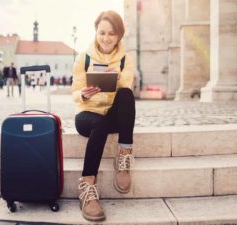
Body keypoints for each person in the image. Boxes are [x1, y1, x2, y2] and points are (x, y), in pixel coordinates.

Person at [71, 10, 135, 222]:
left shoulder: (126, 60)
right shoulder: (84, 57)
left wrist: (115, 78)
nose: (106, 38)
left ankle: (123, 156)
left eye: (112, 33)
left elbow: (125, 90)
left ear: (119, 36)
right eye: (102, 33)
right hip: (88, 115)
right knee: (98, 123)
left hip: (112, 116)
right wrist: (83, 93)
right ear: (96, 32)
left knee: (126, 94)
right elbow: (75, 91)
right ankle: (87, 188)